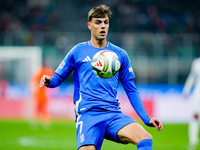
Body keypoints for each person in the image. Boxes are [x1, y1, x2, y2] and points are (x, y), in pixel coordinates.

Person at [40, 5, 163, 150]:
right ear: (89, 25)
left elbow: (131, 90)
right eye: (98, 22)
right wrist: (49, 81)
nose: (103, 26)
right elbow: (57, 78)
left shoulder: (120, 54)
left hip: (113, 114)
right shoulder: (78, 51)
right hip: (88, 115)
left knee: (145, 138)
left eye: (106, 22)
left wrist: (146, 118)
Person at [30, 60, 54, 128]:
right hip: (44, 94)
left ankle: (34, 123)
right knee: (44, 109)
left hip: (38, 94)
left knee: (37, 109)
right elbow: (53, 78)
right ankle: (45, 123)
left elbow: (33, 81)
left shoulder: (39, 72)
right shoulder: (47, 72)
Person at [183, 57, 200, 148]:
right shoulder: (197, 63)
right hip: (198, 93)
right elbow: (192, 77)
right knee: (195, 116)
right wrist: (186, 90)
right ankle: (193, 140)